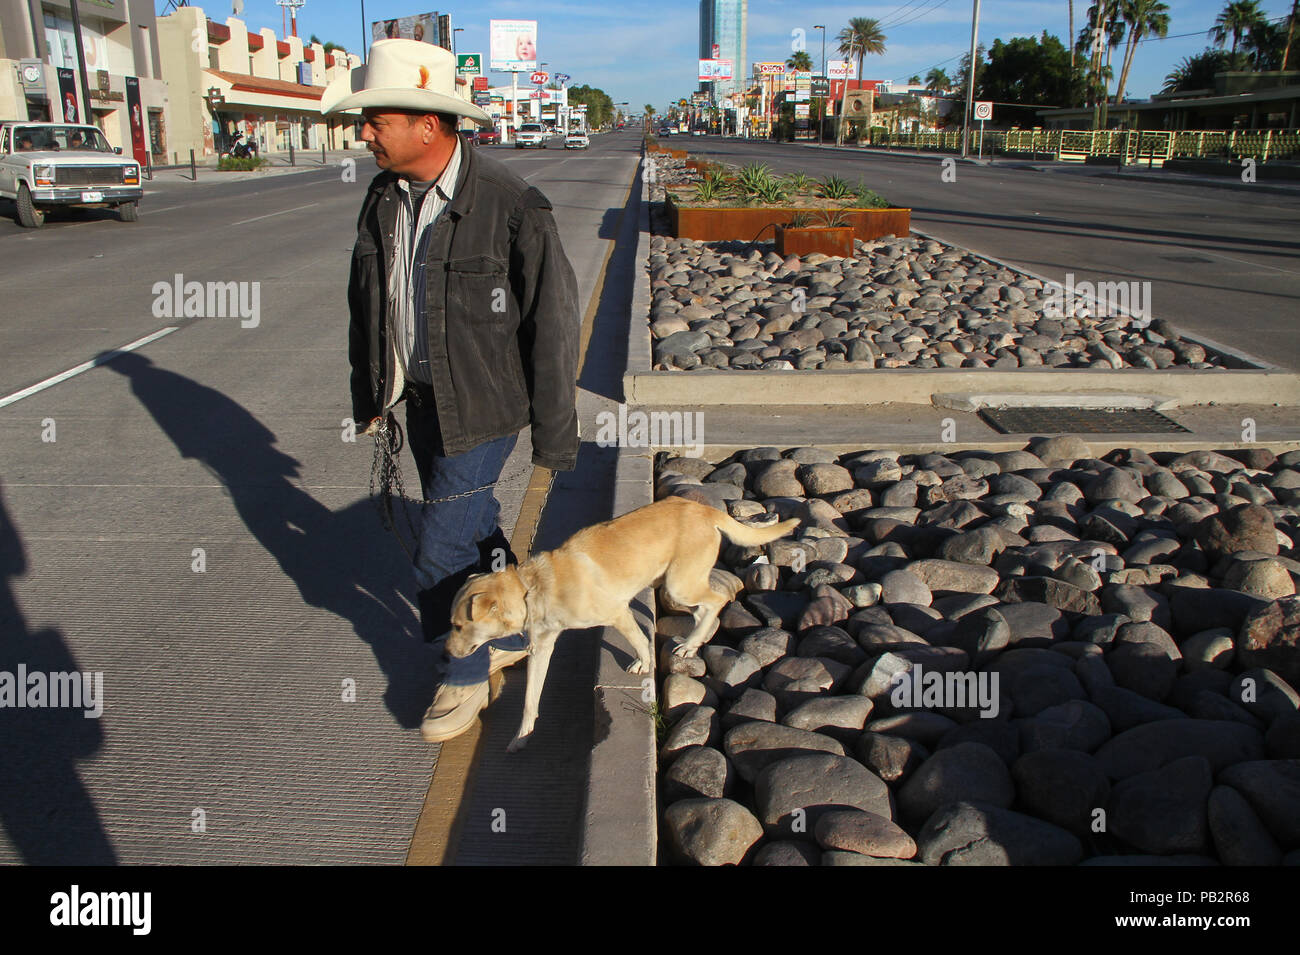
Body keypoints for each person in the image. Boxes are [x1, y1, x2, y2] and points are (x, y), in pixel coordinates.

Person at [321, 39, 579, 743]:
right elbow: (367, 301)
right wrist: (370, 391)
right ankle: (517, 619)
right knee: (475, 525)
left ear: (427, 125)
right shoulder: (383, 198)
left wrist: (557, 432)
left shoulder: (511, 204)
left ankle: (464, 674)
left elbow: (552, 323)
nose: (363, 131)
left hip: (488, 407)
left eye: (377, 119)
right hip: (422, 400)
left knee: (439, 547)